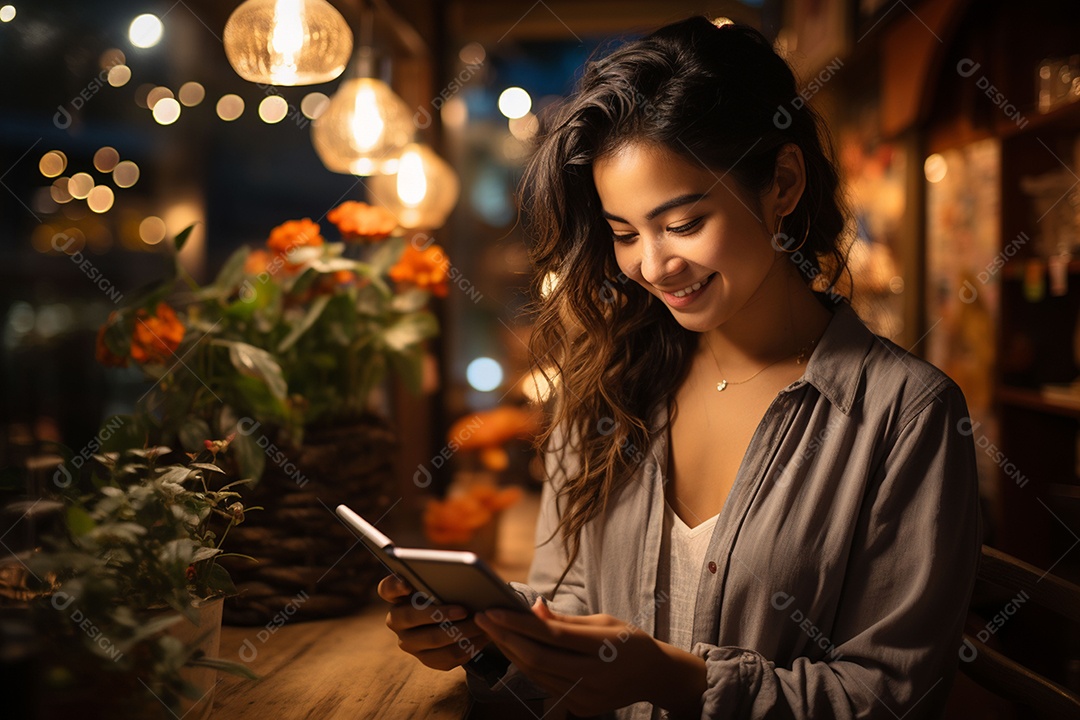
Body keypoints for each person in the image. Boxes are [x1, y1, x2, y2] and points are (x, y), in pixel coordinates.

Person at [378, 16, 980, 719]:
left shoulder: (905, 415)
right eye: (625, 234)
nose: (654, 267)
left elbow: (890, 698)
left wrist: (680, 683)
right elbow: (567, 604)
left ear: (782, 182)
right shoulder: (605, 382)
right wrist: (490, 636)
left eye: (685, 223)